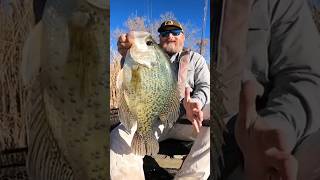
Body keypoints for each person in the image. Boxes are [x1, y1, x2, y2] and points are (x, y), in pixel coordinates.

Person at [220, 0, 320, 179]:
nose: (170, 36)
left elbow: (303, 75)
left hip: (251, 155)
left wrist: (278, 126)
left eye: (175, 32)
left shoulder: (285, 5)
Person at [110, 20, 211, 180]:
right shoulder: (147, 55)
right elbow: (130, 77)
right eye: (164, 33)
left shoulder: (196, 59)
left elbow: (206, 85)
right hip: (154, 121)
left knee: (217, 118)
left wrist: (197, 101)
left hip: (190, 121)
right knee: (118, 136)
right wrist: (126, 54)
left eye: (175, 32)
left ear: (183, 37)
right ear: (159, 38)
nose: (169, 36)